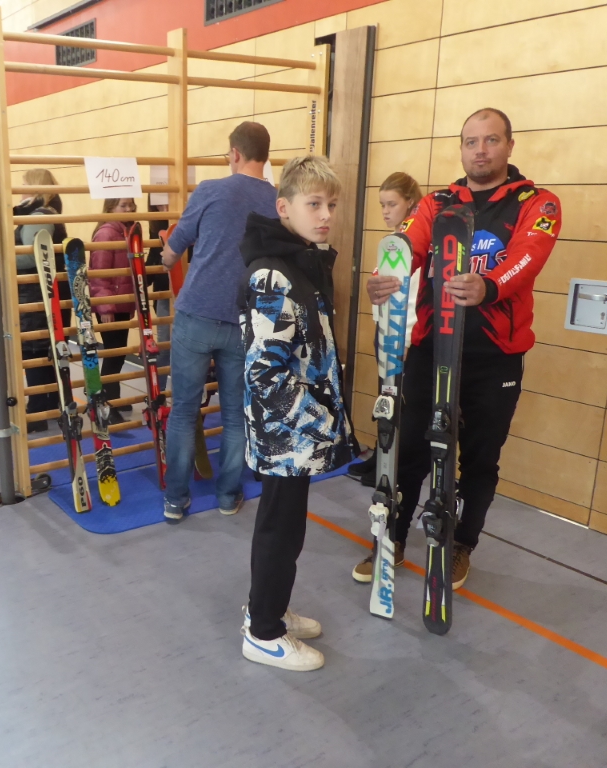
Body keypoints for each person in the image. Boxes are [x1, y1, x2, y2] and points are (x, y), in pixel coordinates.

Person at [353, 108, 561, 589]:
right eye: (471, 142)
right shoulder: (437, 203)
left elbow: (529, 256)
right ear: (462, 149)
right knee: (409, 450)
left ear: (510, 145)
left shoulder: (538, 202)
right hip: (433, 349)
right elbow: (406, 245)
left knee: (480, 460)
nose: (480, 150)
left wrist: (490, 285)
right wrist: (384, 276)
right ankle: (393, 539)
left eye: (491, 140)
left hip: (495, 358)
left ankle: (460, 545)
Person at [239, 155, 353, 671]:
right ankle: (263, 633)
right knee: (279, 531)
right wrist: (315, 423)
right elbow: (264, 374)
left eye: (331, 204)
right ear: (284, 208)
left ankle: (269, 609)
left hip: (298, 433)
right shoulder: (273, 275)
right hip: (286, 434)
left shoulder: (301, 261)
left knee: (287, 529)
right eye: (314, 204)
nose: (325, 215)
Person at [159, 121, 278, 521]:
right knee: (235, 414)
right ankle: (228, 496)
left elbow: (172, 254)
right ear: (265, 155)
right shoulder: (278, 202)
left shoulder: (210, 190)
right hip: (245, 320)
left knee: (183, 410)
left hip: (197, 312)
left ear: (235, 154)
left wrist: (166, 254)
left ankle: (175, 500)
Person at [348, 172, 424, 487]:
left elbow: (412, 299)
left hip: (401, 336)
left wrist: (403, 340)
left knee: (400, 404)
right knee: (386, 401)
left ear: (411, 203)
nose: (385, 211)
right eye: (382, 205)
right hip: (385, 329)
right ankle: (381, 456)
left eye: (392, 204)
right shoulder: (395, 240)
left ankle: (394, 467)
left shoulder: (416, 243)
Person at [13, 168, 69, 433]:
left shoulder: (40, 216)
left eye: (24, 184)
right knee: (45, 347)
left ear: (35, 187)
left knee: (35, 348)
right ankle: (49, 403)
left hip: (36, 291)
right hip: (42, 289)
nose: (20, 189)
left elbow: (30, 256)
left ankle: (37, 410)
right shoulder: (46, 212)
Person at [89, 198, 137, 424]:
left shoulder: (127, 231)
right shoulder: (106, 234)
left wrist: (130, 304)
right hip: (111, 305)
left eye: (131, 205)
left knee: (118, 354)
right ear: (110, 208)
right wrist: (106, 305)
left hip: (122, 303)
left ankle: (113, 398)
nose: (129, 209)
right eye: (123, 205)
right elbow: (99, 275)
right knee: (113, 354)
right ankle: (106, 405)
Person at [146, 200, 172, 392]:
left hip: (187, 293)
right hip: (164, 294)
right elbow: (153, 259)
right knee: (164, 345)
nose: (164, 209)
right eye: (159, 206)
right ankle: (159, 392)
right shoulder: (157, 227)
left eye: (166, 204)